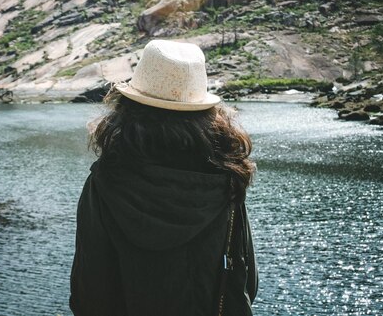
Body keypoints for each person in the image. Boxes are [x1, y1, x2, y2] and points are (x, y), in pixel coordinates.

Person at [70, 39, 258, 316]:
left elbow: (89, 294)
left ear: (130, 106)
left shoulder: (105, 181)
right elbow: (247, 282)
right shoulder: (227, 178)